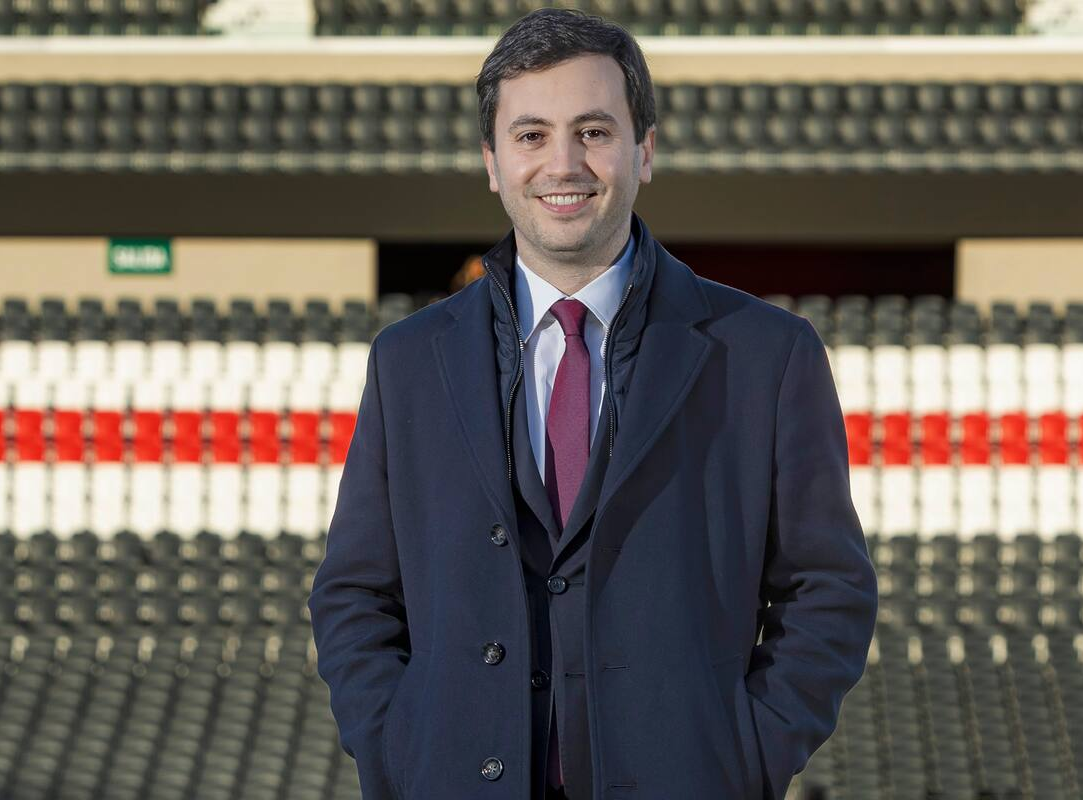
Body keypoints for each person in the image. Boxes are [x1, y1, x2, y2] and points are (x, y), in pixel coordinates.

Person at [307, 8, 878, 800]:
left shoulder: (768, 355)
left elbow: (829, 589)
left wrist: (743, 758)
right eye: (531, 135)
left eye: (594, 132)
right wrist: (397, 748)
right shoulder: (407, 360)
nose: (563, 163)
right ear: (492, 161)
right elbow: (354, 593)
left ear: (645, 150)